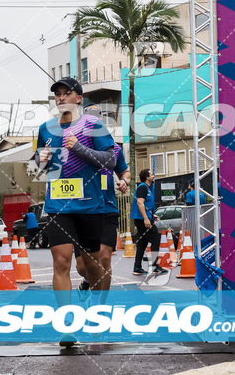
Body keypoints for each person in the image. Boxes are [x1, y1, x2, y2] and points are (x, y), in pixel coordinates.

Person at [35, 77, 116, 344]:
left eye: (66, 93)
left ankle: (96, 310)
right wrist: (41, 160)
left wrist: (79, 147)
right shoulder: (45, 128)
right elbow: (40, 168)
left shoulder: (93, 126)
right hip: (58, 204)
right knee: (61, 262)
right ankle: (66, 325)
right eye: (56, 94)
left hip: (90, 206)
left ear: (78, 98)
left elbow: (111, 159)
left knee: (93, 267)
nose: (60, 97)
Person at [74, 143, 130, 300]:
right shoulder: (75, 147)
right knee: (82, 267)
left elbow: (125, 172)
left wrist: (124, 181)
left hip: (107, 209)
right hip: (81, 210)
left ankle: (99, 307)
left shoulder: (113, 149)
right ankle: (86, 280)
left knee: (104, 258)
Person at [131, 169, 164, 276]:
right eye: (151, 174)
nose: (153, 176)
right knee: (156, 239)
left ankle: (137, 267)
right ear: (146, 177)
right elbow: (140, 202)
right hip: (142, 220)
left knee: (142, 243)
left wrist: (151, 215)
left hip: (143, 218)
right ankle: (154, 266)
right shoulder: (142, 187)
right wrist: (146, 218)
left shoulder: (146, 188)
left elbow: (144, 205)